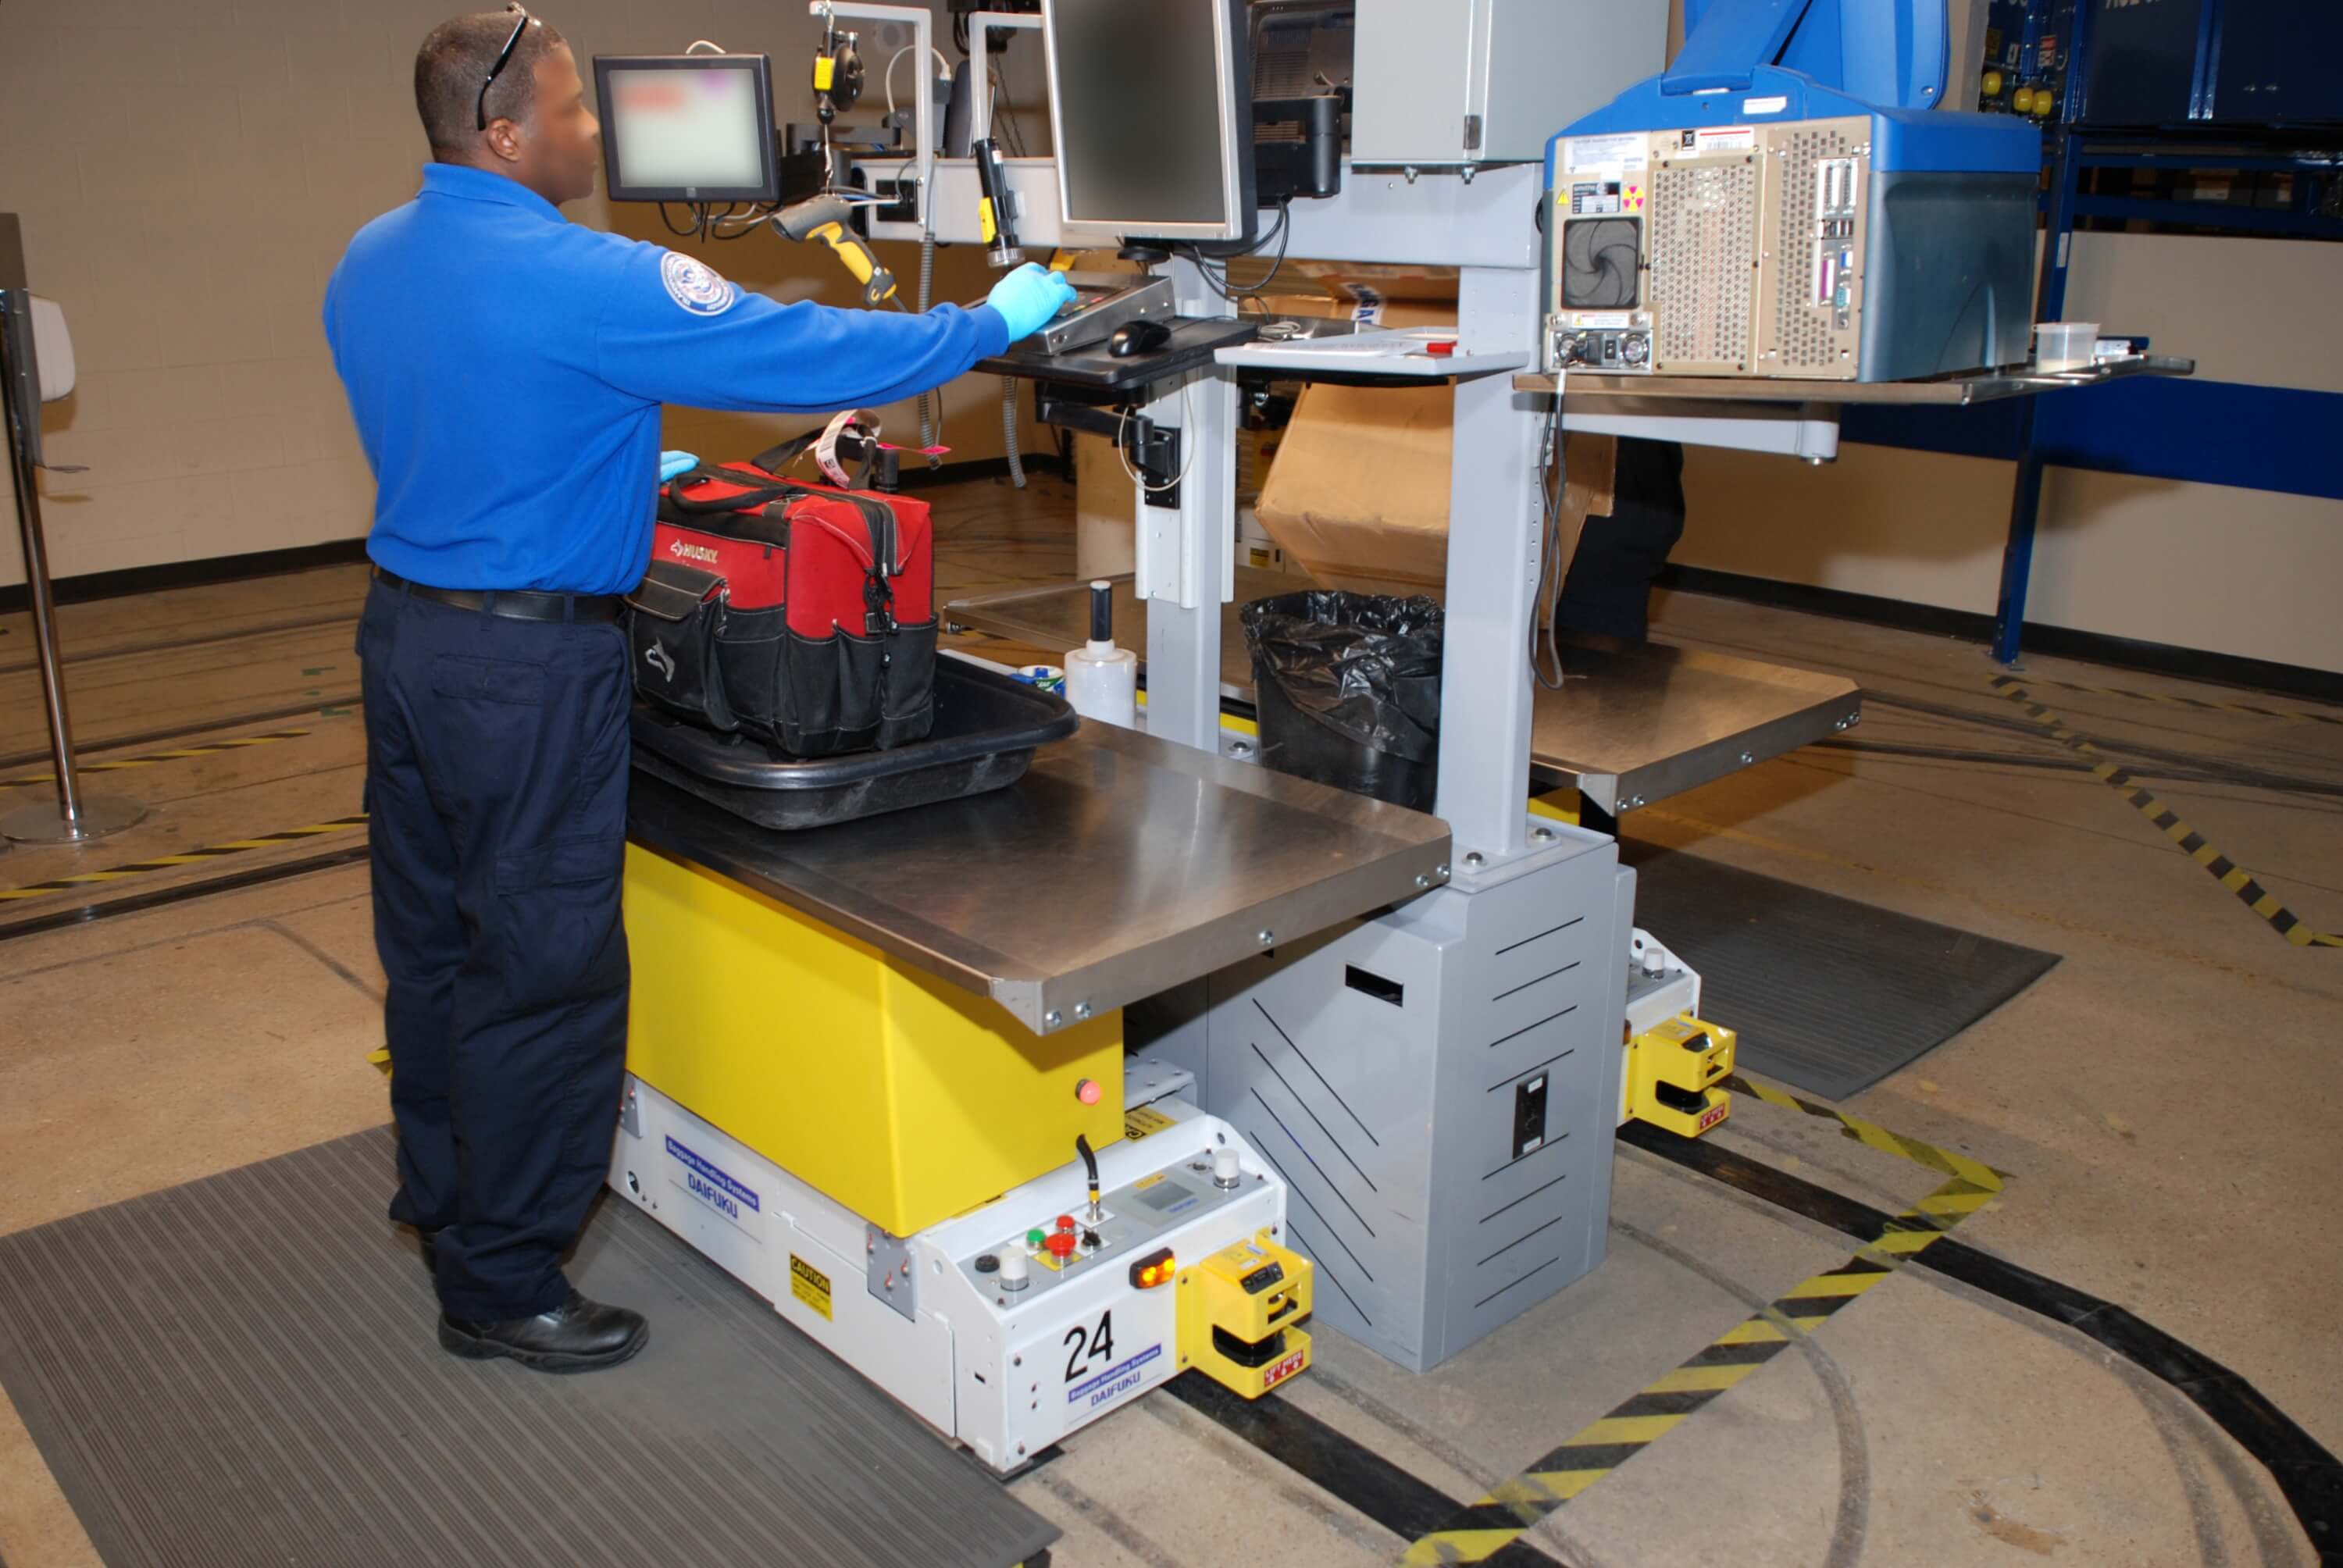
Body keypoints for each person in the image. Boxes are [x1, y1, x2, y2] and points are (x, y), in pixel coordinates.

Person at [323, 7, 1074, 1374]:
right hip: (527, 671)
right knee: (543, 967)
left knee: (433, 943)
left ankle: (443, 1196)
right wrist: (988, 318)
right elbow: (819, 353)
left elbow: (469, 413)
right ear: (503, 133)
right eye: (571, 109)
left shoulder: (370, 259)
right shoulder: (587, 275)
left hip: (408, 640)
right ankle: (500, 1283)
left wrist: (612, 471)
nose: (593, 131)